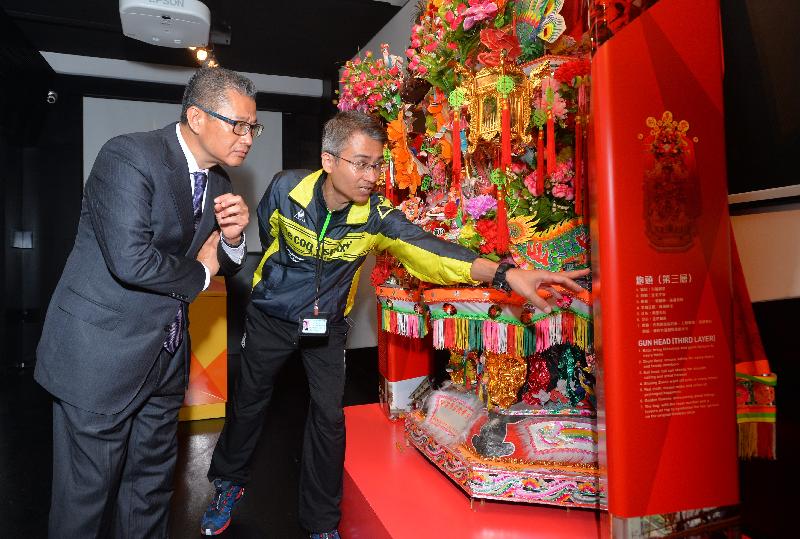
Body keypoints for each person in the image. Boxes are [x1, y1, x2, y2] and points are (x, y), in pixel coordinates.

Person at [200, 111, 589, 538]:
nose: (371, 176)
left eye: (377, 165)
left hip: (327, 326)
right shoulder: (285, 188)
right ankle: (228, 484)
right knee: (249, 402)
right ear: (329, 161)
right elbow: (268, 231)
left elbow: (431, 251)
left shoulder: (376, 216)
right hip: (270, 316)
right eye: (360, 163)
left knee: (328, 419)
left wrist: (504, 273)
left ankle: (322, 523)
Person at [34, 66, 259, 537]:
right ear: (196, 117)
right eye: (238, 125)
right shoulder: (128, 156)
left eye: (252, 128)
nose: (247, 138)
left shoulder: (220, 184)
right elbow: (131, 260)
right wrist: (203, 270)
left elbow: (221, 260)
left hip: (166, 356)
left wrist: (234, 240)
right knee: (84, 501)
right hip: (100, 356)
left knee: (151, 491)